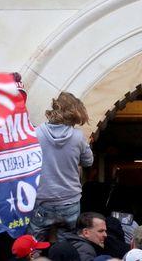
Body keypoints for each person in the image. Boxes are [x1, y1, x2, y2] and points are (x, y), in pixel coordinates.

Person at [28, 92, 95, 240]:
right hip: (69, 200)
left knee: (34, 245)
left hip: (42, 200)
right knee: (68, 246)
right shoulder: (78, 137)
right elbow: (88, 162)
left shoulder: (36, 133)